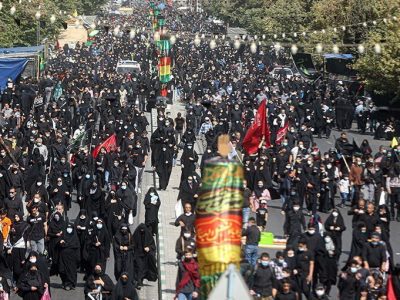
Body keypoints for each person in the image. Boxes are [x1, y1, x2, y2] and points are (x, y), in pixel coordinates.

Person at [132, 223, 157, 288]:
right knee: (139, 268)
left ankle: (140, 280)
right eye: (141, 230)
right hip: (137, 255)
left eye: (143, 230)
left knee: (144, 269)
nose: (142, 232)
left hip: (146, 255)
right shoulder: (136, 235)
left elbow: (153, 246)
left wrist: (149, 248)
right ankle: (138, 281)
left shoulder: (148, 235)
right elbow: (132, 243)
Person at [58, 223, 80, 290]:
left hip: (72, 258)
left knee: (71, 271)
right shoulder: (63, 236)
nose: (69, 229)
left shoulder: (75, 238)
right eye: (68, 228)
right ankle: (64, 282)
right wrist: (60, 242)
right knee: (62, 270)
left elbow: (77, 247)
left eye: (70, 228)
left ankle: (70, 284)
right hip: (63, 257)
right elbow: (58, 245)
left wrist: (78, 259)